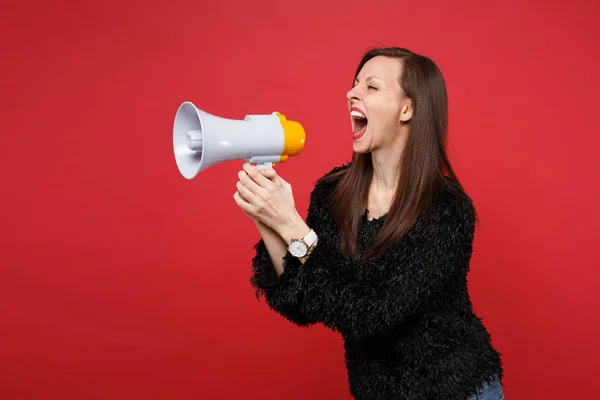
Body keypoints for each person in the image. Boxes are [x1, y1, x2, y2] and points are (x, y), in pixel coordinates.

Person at [233, 47, 504, 400]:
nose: (351, 93)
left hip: (455, 391)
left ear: (407, 109)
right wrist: (266, 219)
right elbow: (300, 303)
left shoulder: (447, 209)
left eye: (371, 87)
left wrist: (291, 224)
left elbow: (372, 307)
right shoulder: (335, 193)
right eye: (354, 83)